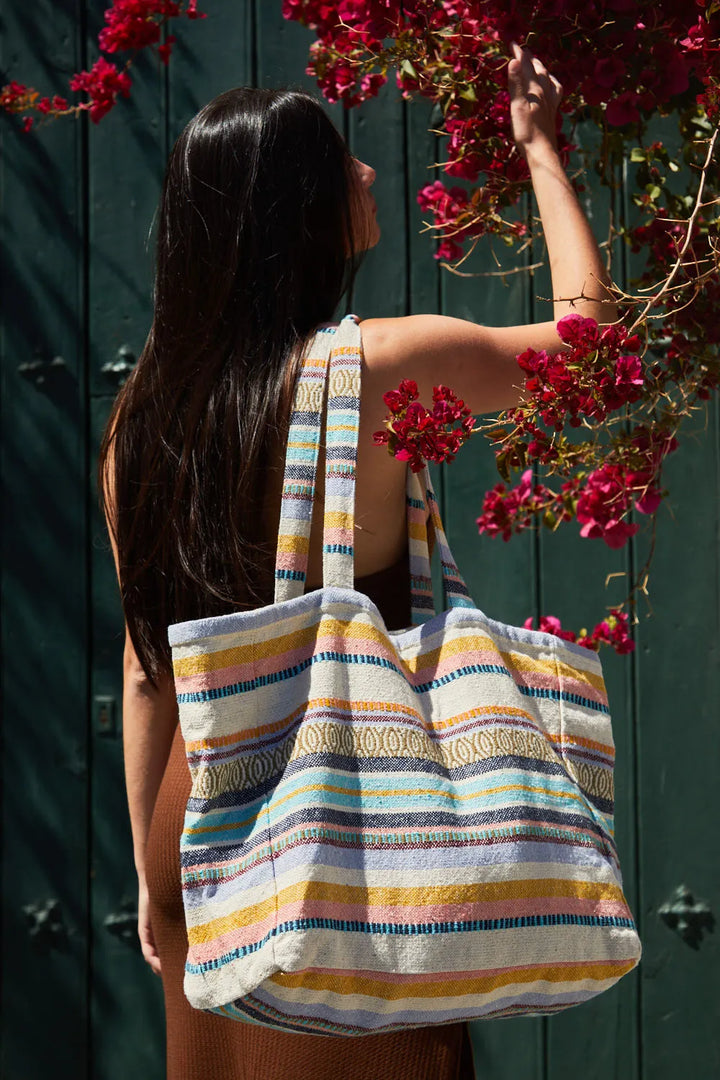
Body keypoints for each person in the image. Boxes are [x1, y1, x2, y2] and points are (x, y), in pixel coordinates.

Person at [100, 43, 615, 1080]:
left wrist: (155, 875)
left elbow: (147, 667)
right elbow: (588, 352)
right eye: (342, 162)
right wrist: (540, 149)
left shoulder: (138, 424)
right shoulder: (372, 367)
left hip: (201, 811)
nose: (369, 171)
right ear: (294, 210)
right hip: (347, 821)